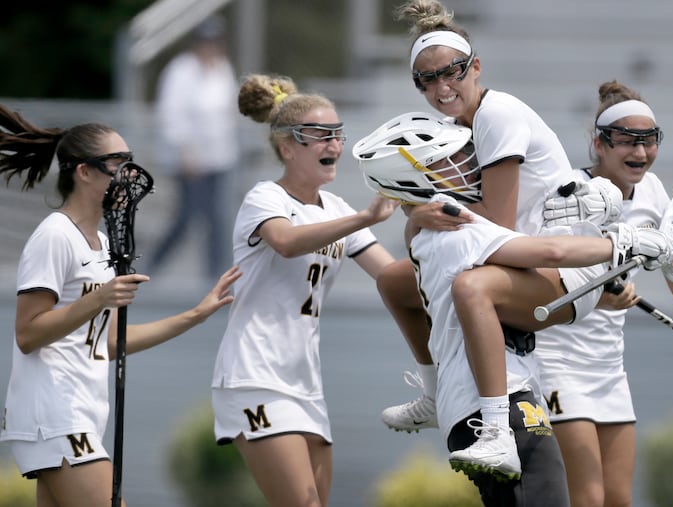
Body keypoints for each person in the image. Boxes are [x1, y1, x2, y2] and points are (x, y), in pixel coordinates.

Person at [353, 112, 673, 505]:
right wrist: (623, 243)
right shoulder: (457, 230)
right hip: (496, 411)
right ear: (415, 176)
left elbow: (396, 281)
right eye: (450, 159)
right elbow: (550, 251)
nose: (469, 164)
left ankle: (438, 399)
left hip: (480, 403)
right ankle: (494, 433)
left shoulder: (432, 228)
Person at [378, 0, 623, 476]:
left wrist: (425, 210)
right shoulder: (451, 128)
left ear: (476, 66)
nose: (442, 87)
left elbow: (497, 223)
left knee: (471, 288)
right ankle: (433, 393)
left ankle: (496, 434)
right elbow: (431, 213)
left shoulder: (498, 114)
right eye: (426, 79)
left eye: (452, 71)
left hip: (567, 271)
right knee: (393, 282)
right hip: (519, 258)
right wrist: (418, 209)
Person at [0, 103, 242, 507]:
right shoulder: (54, 235)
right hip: (55, 412)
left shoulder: (103, 244)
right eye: (118, 162)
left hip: (80, 412)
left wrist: (195, 316)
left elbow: (108, 342)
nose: (130, 174)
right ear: (84, 171)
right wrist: (99, 298)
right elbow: (27, 334)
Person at [535, 80, 673, 507]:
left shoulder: (653, 193)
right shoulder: (568, 192)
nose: (640, 154)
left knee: (619, 499)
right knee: (588, 498)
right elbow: (541, 269)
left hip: (607, 367)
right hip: (557, 361)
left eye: (649, 141)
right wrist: (598, 297)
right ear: (599, 144)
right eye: (626, 142)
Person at [210, 73, 398, 507]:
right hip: (254, 375)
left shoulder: (336, 207)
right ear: (286, 147)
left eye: (337, 134)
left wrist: (434, 242)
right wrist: (364, 220)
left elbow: (389, 276)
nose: (333, 145)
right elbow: (288, 242)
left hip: (304, 381)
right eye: (319, 136)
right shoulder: (265, 198)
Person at [147, 14, 241, 281]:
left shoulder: (223, 68)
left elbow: (227, 108)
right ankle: (152, 266)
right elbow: (171, 114)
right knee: (187, 218)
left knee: (218, 219)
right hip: (189, 160)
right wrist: (185, 152)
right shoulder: (181, 70)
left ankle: (215, 278)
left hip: (219, 157)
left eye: (214, 41)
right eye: (205, 42)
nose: (209, 47)